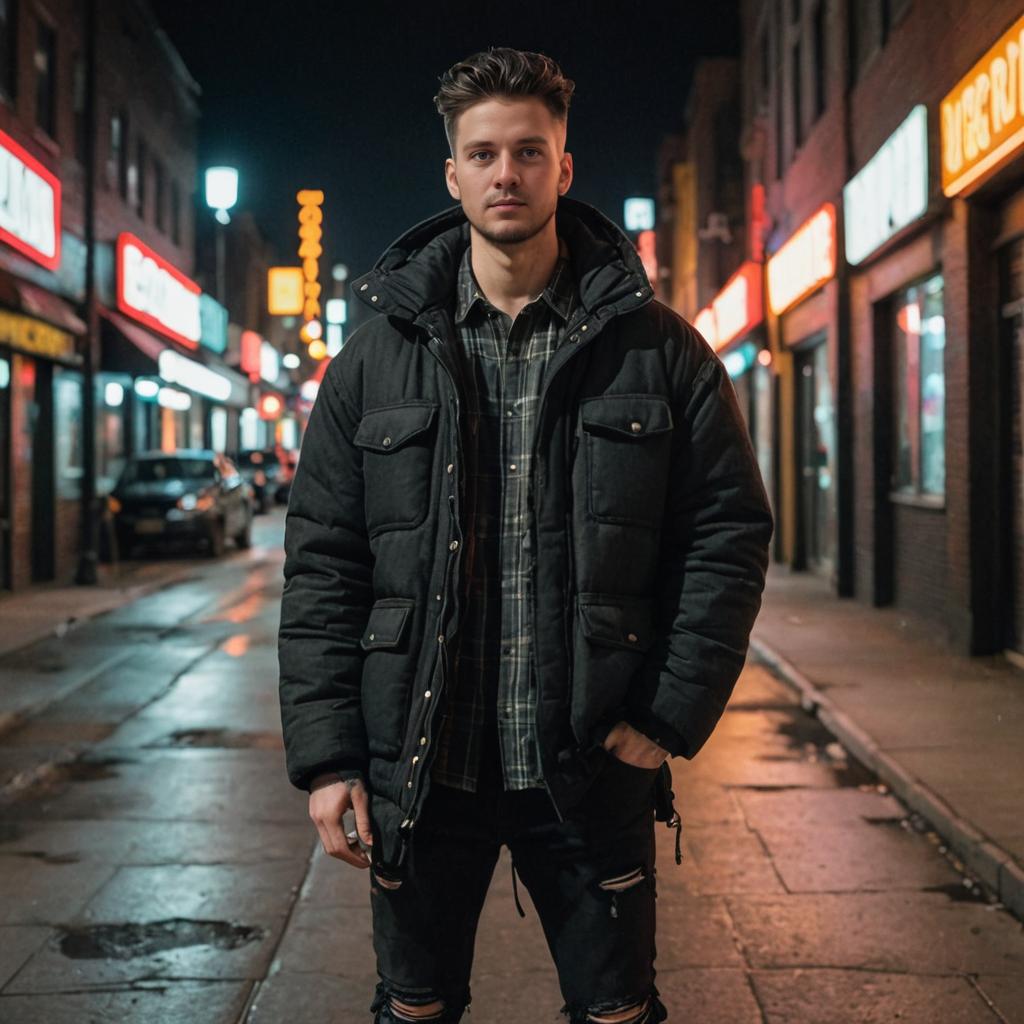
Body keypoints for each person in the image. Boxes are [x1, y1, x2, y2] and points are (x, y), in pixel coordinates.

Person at [279, 47, 773, 1024]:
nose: (506, 173)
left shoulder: (659, 351)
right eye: (484, 153)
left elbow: (726, 533)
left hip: (590, 766)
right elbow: (325, 564)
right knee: (414, 1007)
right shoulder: (374, 362)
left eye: (528, 151)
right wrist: (331, 758)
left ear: (563, 167)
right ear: (452, 172)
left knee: (616, 1010)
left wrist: (666, 717)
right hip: (424, 765)